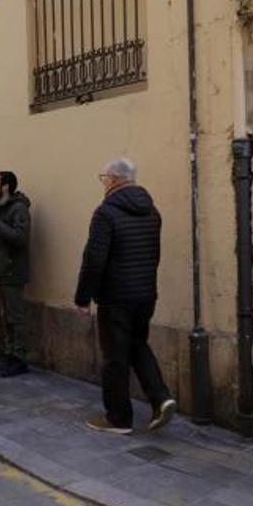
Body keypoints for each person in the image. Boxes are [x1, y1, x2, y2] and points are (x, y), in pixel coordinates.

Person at [74, 159, 175, 435]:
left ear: (116, 179)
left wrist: (83, 297)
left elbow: (94, 259)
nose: (103, 183)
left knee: (115, 358)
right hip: (145, 293)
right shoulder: (151, 211)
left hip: (116, 296)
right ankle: (161, 398)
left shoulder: (106, 212)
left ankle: (118, 418)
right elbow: (153, 254)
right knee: (137, 345)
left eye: (104, 177)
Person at [0, 171, 31, 377]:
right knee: (4, 316)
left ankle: (19, 358)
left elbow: (20, 238)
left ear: (6, 186)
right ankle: (9, 355)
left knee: (15, 318)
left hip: (12, 272)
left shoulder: (19, 209)